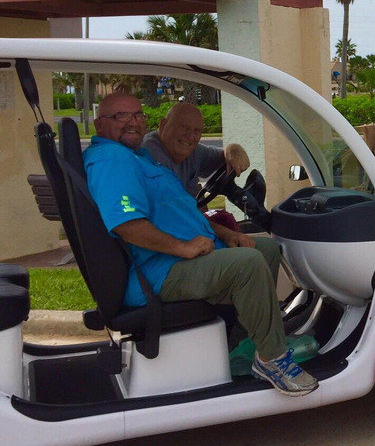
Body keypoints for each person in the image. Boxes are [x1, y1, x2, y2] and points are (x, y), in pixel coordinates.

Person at [84, 93, 316, 397]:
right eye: (121, 116)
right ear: (100, 123)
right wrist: (183, 248)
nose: (134, 122)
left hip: (180, 257)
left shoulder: (137, 155)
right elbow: (127, 225)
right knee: (248, 264)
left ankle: (243, 345)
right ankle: (272, 357)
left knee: (265, 250)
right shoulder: (112, 160)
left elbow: (178, 209)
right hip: (159, 270)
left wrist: (225, 234)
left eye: (138, 115)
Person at [142, 102, 248, 237]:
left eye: (196, 131)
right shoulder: (151, 154)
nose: (190, 136)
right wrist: (227, 235)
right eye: (183, 127)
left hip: (189, 234)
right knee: (260, 252)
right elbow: (176, 213)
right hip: (169, 241)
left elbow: (224, 156)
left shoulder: (190, 151)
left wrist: (234, 149)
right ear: (163, 125)